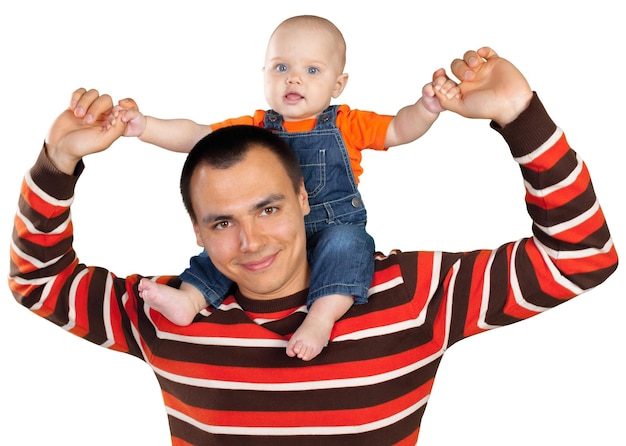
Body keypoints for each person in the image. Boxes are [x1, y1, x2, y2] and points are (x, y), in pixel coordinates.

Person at [8, 47, 617, 445]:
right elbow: (38, 284)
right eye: (222, 222)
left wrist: (520, 115)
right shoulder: (166, 310)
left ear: (303, 198)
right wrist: (58, 160)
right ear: (196, 231)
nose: (251, 242)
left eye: (268, 208)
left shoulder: (412, 295)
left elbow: (582, 257)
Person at [118, 15, 459, 361]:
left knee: (351, 248)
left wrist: (427, 108)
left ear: (338, 84)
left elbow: (399, 130)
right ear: (263, 73)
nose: (293, 78)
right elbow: (196, 135)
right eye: (281, 68)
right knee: (224, 245)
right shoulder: (255, 127)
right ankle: (191, 298)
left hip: (332, 227)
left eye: (312, 70)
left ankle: (321, 317)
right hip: (265, 233)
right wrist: (145, 126)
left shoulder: (347, 123)